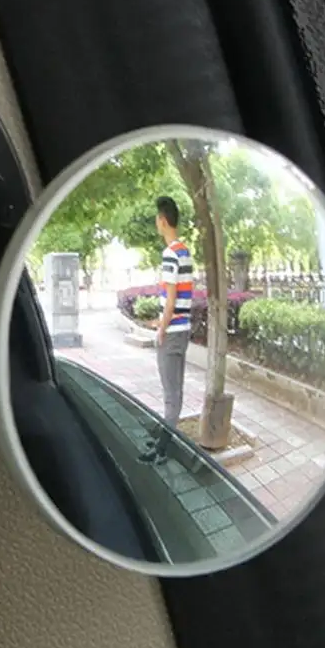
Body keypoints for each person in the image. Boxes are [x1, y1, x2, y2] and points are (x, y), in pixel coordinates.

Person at [139, 196, 193, 465]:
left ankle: (162, 449)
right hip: (182, 330)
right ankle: (165, 438)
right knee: (175, 392)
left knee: (171, 395)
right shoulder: (185, 252)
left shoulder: (170, 253)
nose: (156, 223)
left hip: (172, 333)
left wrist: (161, 328)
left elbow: (171, 299)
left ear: (162, 220)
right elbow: (180, 297)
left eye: (156, 219)